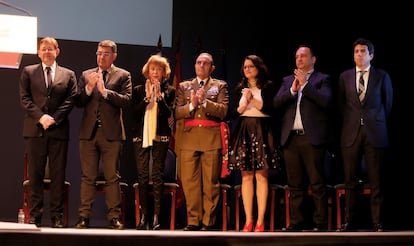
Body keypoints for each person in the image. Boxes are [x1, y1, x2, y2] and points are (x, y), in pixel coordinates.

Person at [19, 36, 77, 228]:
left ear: (57, 51)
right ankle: (35, 215)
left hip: (58, 130)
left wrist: (54, 118)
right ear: (38, 52)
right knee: (35, 175)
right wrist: (41, 117)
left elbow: (71, 99)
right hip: (35, 130)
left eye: (50, 49)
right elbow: (25, 98)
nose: (46, 52)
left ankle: (57, 217)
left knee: (58, 175)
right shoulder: (28, 71)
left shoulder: (68, 74)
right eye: (43, 49)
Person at [273, 45, 333, 231]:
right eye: (297, 56)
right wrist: (292, 90)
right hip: (291, 138)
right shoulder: (287, 80)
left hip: (311, 137)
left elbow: (326, 101)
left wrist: (305, 85)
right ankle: (296, 222)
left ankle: (320, 222)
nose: (299, 59)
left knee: (317, 182)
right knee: (294, 184)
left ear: (313, 59)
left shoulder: (322, 79)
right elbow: (276, 103)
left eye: (303, 56)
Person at [73, 40, 132, 230]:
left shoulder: (123, 75)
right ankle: (84, 217)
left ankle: (114, 217)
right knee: (87, 176)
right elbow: (79, 102)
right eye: (99, 53)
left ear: (114, 56)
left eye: (105, 54)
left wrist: (106, 93)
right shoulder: (86, 75)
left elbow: (127, 101)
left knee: (112, 177)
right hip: (89, 133)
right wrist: (89, 88)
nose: (101, 57)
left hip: (111, 134)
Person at [338, 38, 393, 232]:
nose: (359, 54)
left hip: (375, 132)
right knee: (350, 180)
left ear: (371, 55)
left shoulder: (382, 76)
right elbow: (342, 105)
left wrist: (374, 121)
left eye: (363, 51)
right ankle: (350, 221)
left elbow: (388, 105)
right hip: (351, 132)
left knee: (376, 179)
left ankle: (377, 221)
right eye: (356, 51)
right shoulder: (344, 77)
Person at [175, 52, 229, 231]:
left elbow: (223, 111)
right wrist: (192, 105)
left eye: (205, 63)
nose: (201, 66)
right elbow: (176, 112)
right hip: (189, 139)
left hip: (211, 139)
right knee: (190, 183)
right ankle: (193, 220)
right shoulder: (184, 86)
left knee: (210, 183)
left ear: (212, 67)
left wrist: (205, 102)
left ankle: (208, 221)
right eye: (198, 62)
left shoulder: (219, 86)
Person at [228, 55, 280, 232]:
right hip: (244, 130)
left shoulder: (268, 86)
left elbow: (272, 108)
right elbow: (233, 113)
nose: (247, 69)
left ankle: (260, 221)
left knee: (261, 176)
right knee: (246, 176)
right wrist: (242, 105)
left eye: (251, 66)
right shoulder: (240, 87)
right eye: (245, 67)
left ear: (258, 67)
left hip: (262, 129)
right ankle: (248, 220)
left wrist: (253, 99)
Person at [131, 54, 176, 230]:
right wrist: (147, 98)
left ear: (164, 73)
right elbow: (134, 113)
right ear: (147, 71)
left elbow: (168, 113)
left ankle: (156, 218)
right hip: (141, 135)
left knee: (157, 175)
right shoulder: (138, 90)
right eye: (152, 69)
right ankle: (144, 217)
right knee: (142, 176)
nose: (155, 72)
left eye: (159, 69)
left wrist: (158, 97)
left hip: (161, 135)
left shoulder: (170, 91)